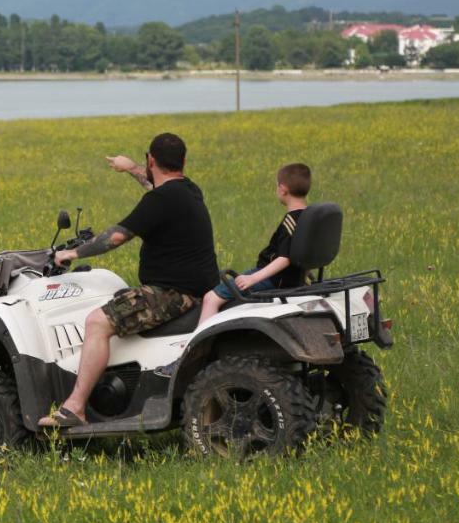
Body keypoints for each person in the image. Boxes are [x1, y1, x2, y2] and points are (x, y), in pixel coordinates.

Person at [37, 133, 218, 428]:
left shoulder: (158, 201)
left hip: (173, 293)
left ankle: (75, 407)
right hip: (198, 288)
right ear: (183, 161)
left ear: (152, 160)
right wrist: (131, 168)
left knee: (97, 321)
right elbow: (155, 183)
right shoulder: (189, 191)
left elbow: (116, 237)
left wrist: (72, 252)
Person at [153, 162, 312, 379]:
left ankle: (188, 357)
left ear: (282, 189)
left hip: (273, 278)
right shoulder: (309, 217)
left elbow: (284, 258)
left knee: (211, 298)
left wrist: (252, 278)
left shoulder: (290, 221)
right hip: (291, 279)